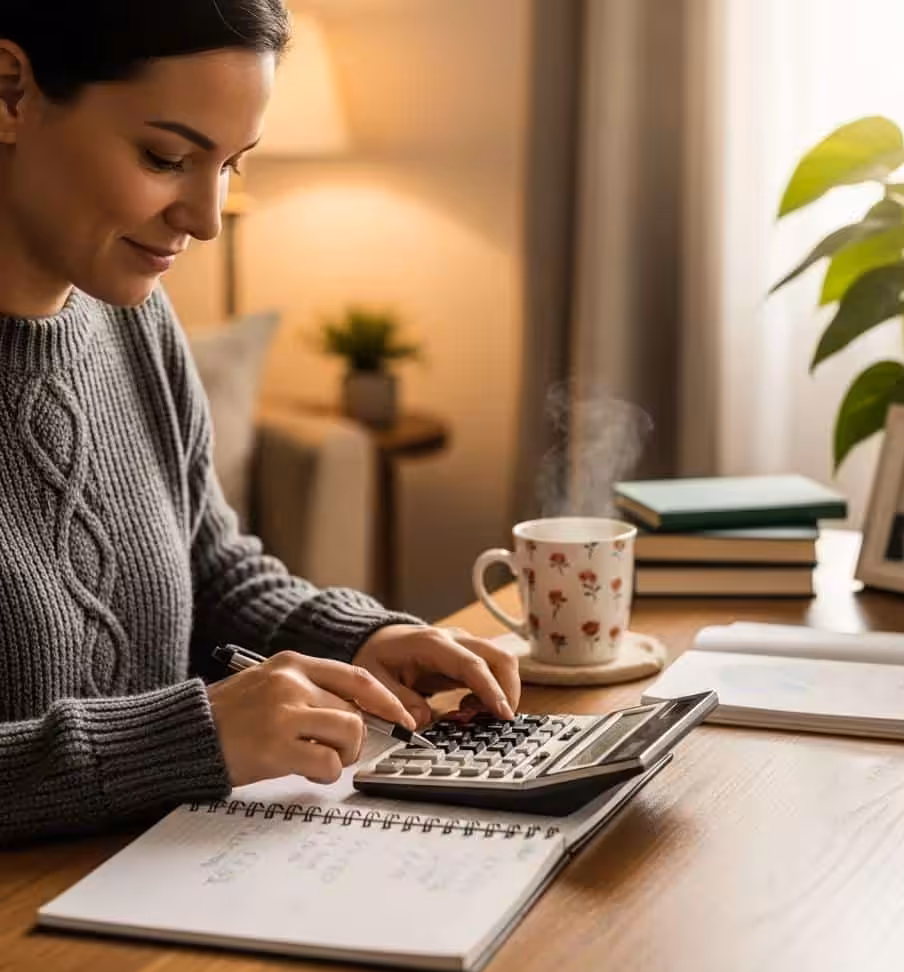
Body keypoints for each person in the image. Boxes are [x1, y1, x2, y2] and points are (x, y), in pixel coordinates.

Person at [0, 1, 520, 846]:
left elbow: (213, 571)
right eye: (166, 157)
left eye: (233, 165)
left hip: (157, 883)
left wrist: (365, 640)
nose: (204, 219)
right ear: (12, 90)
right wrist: (184, 739)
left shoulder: (134, 319)